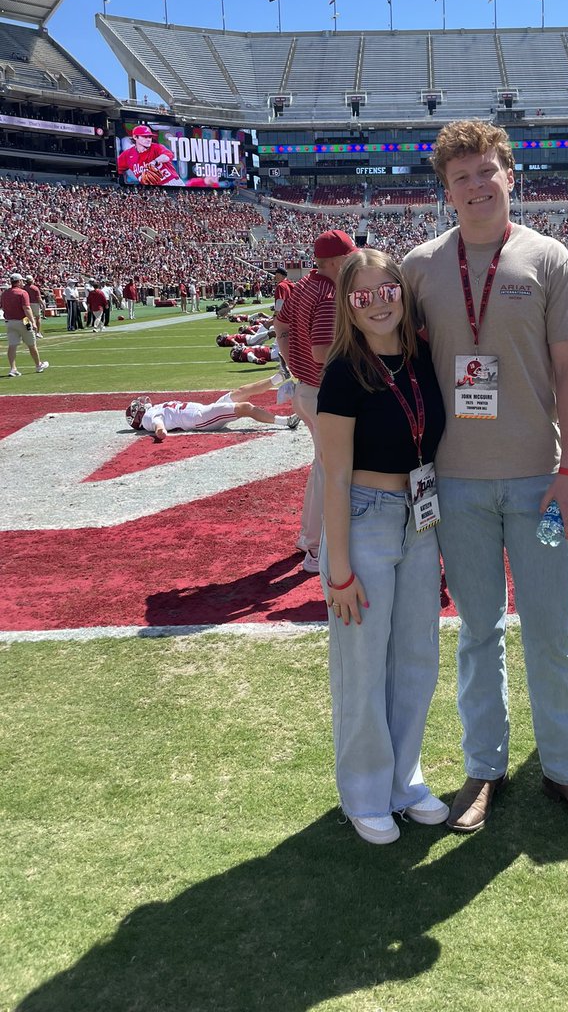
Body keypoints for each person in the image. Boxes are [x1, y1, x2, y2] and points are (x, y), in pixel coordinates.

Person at [404, 120, 568, 837]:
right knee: (476, 632)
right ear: (446, 190)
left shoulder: (547, 257)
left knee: (553, 633)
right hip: (457, 483)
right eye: (460, 177)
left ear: (509, 176)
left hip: (540, 482)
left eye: (485, 172)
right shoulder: (420, 266)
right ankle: (484, 768)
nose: (475, 186)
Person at [317, 248, 447, 846]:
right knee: (363, 666)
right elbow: (334, 475)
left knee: (416, 658)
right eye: (363, 295)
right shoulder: (345, 369)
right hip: (366, 518)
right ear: (349, 304)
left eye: (386, 290)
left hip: (420, 520)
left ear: (403, 292)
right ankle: (365, 791)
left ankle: (404, 776)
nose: (378, 303)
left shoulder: (422, 358)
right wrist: (338, 569)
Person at [274, 229, 358, 574]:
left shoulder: (305, 285)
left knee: (322, 467)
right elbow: (322, 351)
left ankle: (308, 536)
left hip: (307, 389)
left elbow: (280, 327)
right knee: (333, 471)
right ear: (338, 262)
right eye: (350, 256)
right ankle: (315, 547)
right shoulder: (328, 293)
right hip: (325, 393)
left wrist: (293, 367)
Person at [125, 375, 299, 441]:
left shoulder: (152, 410)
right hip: (201, 419)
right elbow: (159, 427)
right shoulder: (149, 418)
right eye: (138, 406)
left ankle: (281, 375)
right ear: (139, 415)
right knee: (245, 407)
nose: (141, 403)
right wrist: (161, 432)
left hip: (203, 410)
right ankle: (286, 421)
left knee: (240, 392)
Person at [2, 273, 50, 376]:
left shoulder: (5, 293)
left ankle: (13, 368)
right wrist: (33, 322)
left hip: (10, 321)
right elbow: (26, 308)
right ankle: (38, 365)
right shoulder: (23, 293)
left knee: (12, 345)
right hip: (24, 320)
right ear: (19, 281)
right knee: (32, 344)